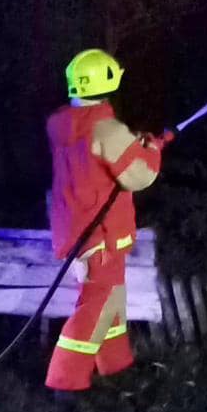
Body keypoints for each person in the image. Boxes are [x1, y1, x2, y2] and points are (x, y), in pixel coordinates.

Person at [44, 48, 169, 392]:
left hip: (76, 230)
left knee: (112, 300)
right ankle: (64, 383)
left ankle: (116, 366)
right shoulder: (107, 129)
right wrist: (152, 149)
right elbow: (138, 175)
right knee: (95, 306)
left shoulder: (62, 125)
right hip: (101, 234)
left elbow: (96, 163)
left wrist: (136, 144)